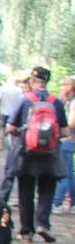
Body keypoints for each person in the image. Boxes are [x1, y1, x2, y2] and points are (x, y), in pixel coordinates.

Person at [6, 66, 68, 242]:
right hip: (50, 156)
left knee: (26, 191)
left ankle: (26, 231)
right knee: (47, 190)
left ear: (33, 82)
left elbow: (10, 127)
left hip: (27, 155)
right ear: (46, 82)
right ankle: (43, 225)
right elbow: (64, 132)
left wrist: (24, 133)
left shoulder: (25, 100)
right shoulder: (55, 102)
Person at [54, 76, 75, 214]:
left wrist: (63, 130)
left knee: (63, 173)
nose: (61, 87)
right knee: (70, 173)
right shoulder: (68, 101)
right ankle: (73, 203)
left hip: (69, 140)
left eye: (64, 85)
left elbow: (72, 122)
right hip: (69, 140)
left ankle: (57, 202)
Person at [0, 77, 26, 146]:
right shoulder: (19, 90)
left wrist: (1, 105)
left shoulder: (2, 88)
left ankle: (1, 144)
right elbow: (21, 100)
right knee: (12, 128)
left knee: (2, 128)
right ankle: (11, 144)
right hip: (14, 112)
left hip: (3, 111)